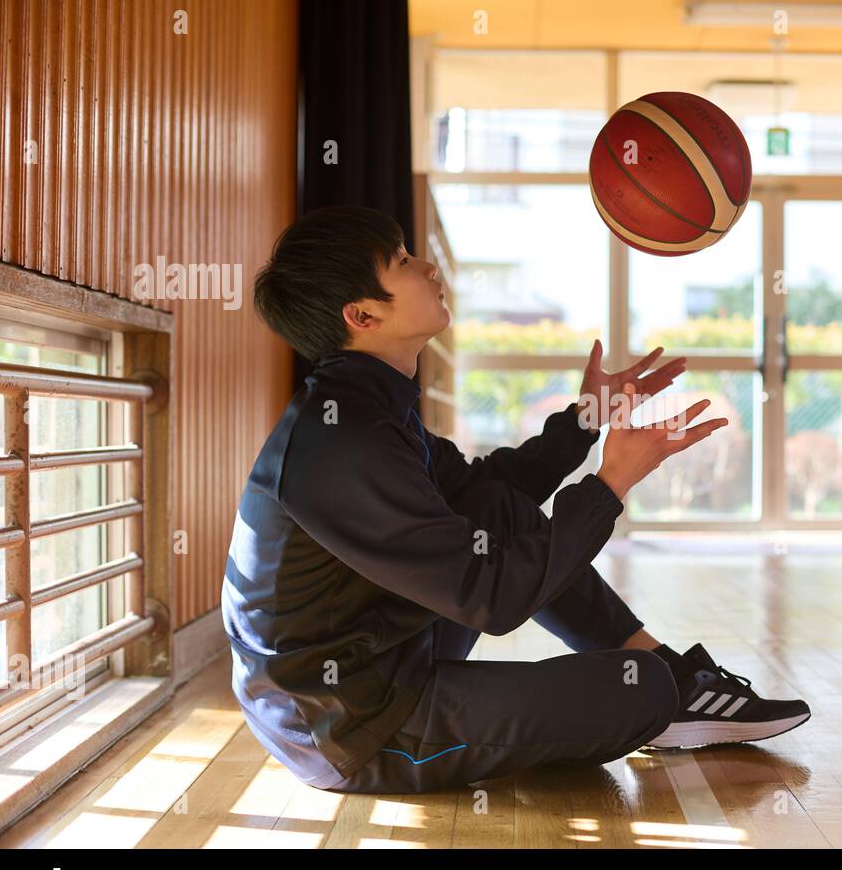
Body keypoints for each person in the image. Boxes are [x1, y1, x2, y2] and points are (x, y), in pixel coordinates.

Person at [221, 204, 810, 794]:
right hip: (354, 727)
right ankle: (667, 689)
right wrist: (610, 485)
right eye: (401, 261)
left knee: (496, 509)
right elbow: (491, 597)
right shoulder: (345, 443)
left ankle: (685, 684)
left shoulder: (364, 405)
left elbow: (485, 490)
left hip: (389, 659)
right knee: (639, 687)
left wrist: (587, 419)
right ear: (363, 313)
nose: (427, 268)